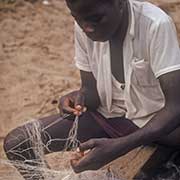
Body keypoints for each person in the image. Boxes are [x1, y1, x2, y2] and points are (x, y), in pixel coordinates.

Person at [3, 0, 180, 179]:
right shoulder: (84, 23)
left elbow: (175, 108)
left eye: (96, 18)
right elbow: (90, 91)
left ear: (119, 3)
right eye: (77, 19)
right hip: (111, 117)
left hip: (157, 127)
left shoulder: (155, 25)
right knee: (18, 143)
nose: (86, 28)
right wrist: (77, 98)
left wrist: (120, 146)